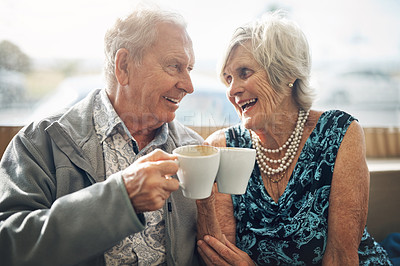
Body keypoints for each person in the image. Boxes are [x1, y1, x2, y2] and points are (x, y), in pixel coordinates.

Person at [0, 7, 204, 266]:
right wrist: (120, 198)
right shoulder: (39, 142)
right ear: (124, 66)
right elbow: (8, 246)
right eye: (175, 66)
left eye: (190, 69)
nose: (189, 85)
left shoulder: (195, 148)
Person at [195, 10, 393, 265]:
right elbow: (221, 257)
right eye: (228, 78)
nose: (232, 90)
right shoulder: (221, 148)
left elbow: (341, 258)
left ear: (287, 73)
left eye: (245, 72)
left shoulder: (340, 133)